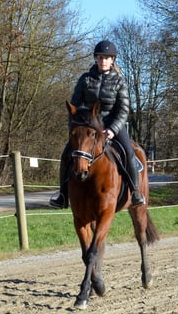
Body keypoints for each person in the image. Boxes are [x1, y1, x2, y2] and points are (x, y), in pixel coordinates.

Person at [49, 40, 146, 209]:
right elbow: (75, 105)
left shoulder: (119, 82)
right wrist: (78, 125)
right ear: (96, 58)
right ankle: (63, 195)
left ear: (112, 60)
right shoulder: (85, 80)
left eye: (107, 58)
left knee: (129, 153)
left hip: (112, 125)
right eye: (100, 57)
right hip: (89, 126)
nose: (103, 61)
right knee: (66, 154)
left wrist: (113, 130)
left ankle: (135, 191)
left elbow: (123, 109)